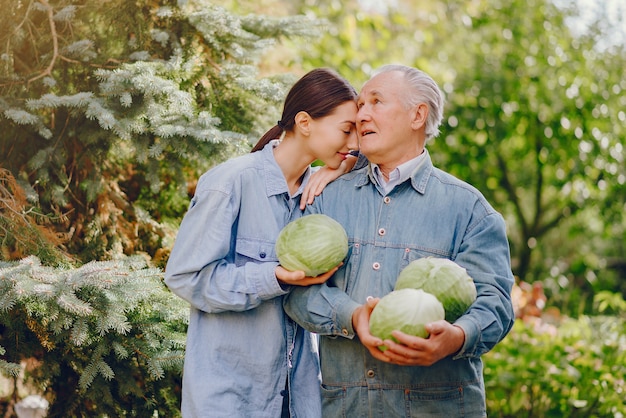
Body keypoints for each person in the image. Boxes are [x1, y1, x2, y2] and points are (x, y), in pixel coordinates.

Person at [283, 64, 515, 417]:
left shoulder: (469, 209)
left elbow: (495, 303)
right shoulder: (324, 197)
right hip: (347, 408)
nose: (362, 114)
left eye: (376, 102)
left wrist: (457, 337)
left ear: (417, 115)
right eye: (360, 105)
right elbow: (296, 291)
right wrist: (352, 316)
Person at [164, 68, 358, 418]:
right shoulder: (230, 182)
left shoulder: (320, 193)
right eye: (346, 130)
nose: (354, 143)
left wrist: (338, 169)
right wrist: (275, 277)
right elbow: (185, 277)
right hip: (230, 399)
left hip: (298, 399)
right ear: (304, 122)